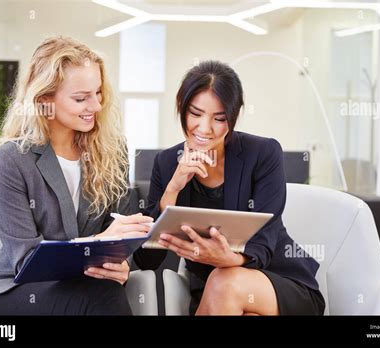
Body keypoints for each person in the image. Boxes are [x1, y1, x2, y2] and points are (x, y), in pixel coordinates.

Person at [0, 36, 152, 315]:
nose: (96, 106)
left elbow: (121, 231)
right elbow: (28, 261)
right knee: (101, 296)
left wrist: (120, 263)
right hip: (13, 292)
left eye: (98, 93)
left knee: (104, 291)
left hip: (85, 288)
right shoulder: (10, 160)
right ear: (45, 101)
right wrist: (96, 245)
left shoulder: (112, 151)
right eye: (81, 98)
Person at [134, 60, 325, 316]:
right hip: (213, 295)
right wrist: (172, 190)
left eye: (219, 118)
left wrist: (229, 260)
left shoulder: (263, 153)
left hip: (278, 282)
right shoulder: (168, 163)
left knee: (224, 282)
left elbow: (264, 241)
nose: (205, 128)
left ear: (233, 116)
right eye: (195, 113)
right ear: (181, 106)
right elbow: (148, 259)